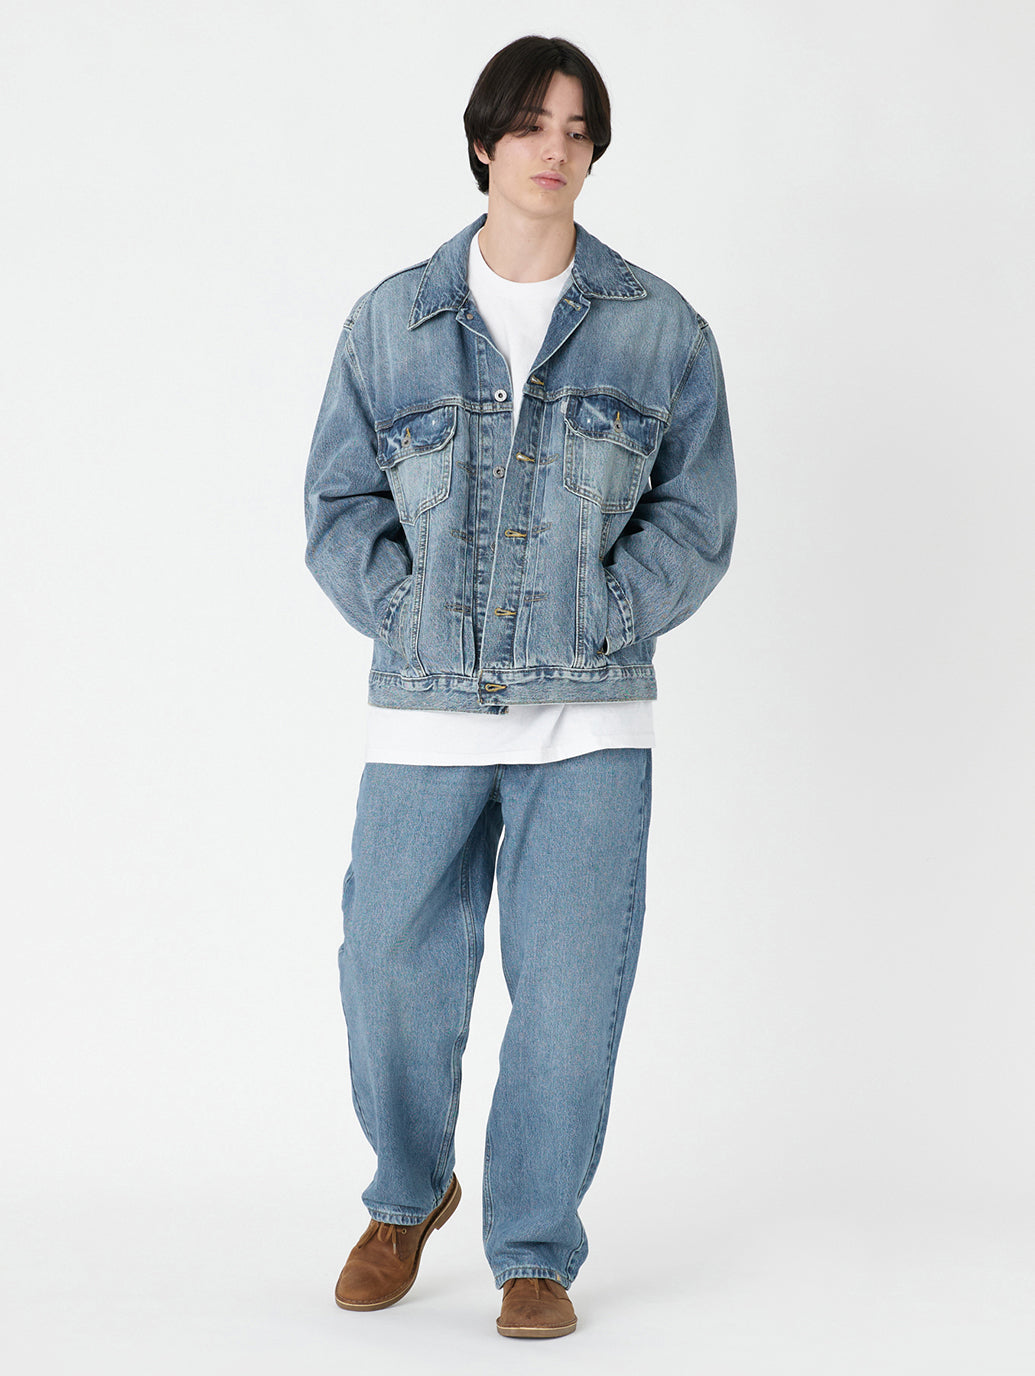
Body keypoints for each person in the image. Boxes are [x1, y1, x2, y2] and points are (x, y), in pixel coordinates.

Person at [304, 34, 736, 1339]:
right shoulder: (391, 321)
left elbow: (695, 515)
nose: (557, 148)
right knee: (387, 967)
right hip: (425, 709)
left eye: (579, 129)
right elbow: (339, 507)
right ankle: (407, 1193)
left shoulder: (660, 329)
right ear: (486, 140)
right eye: (534, 124)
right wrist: (408, 615)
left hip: (591, 716)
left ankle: (535, 1248)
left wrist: (606, 612)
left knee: (570, 996)